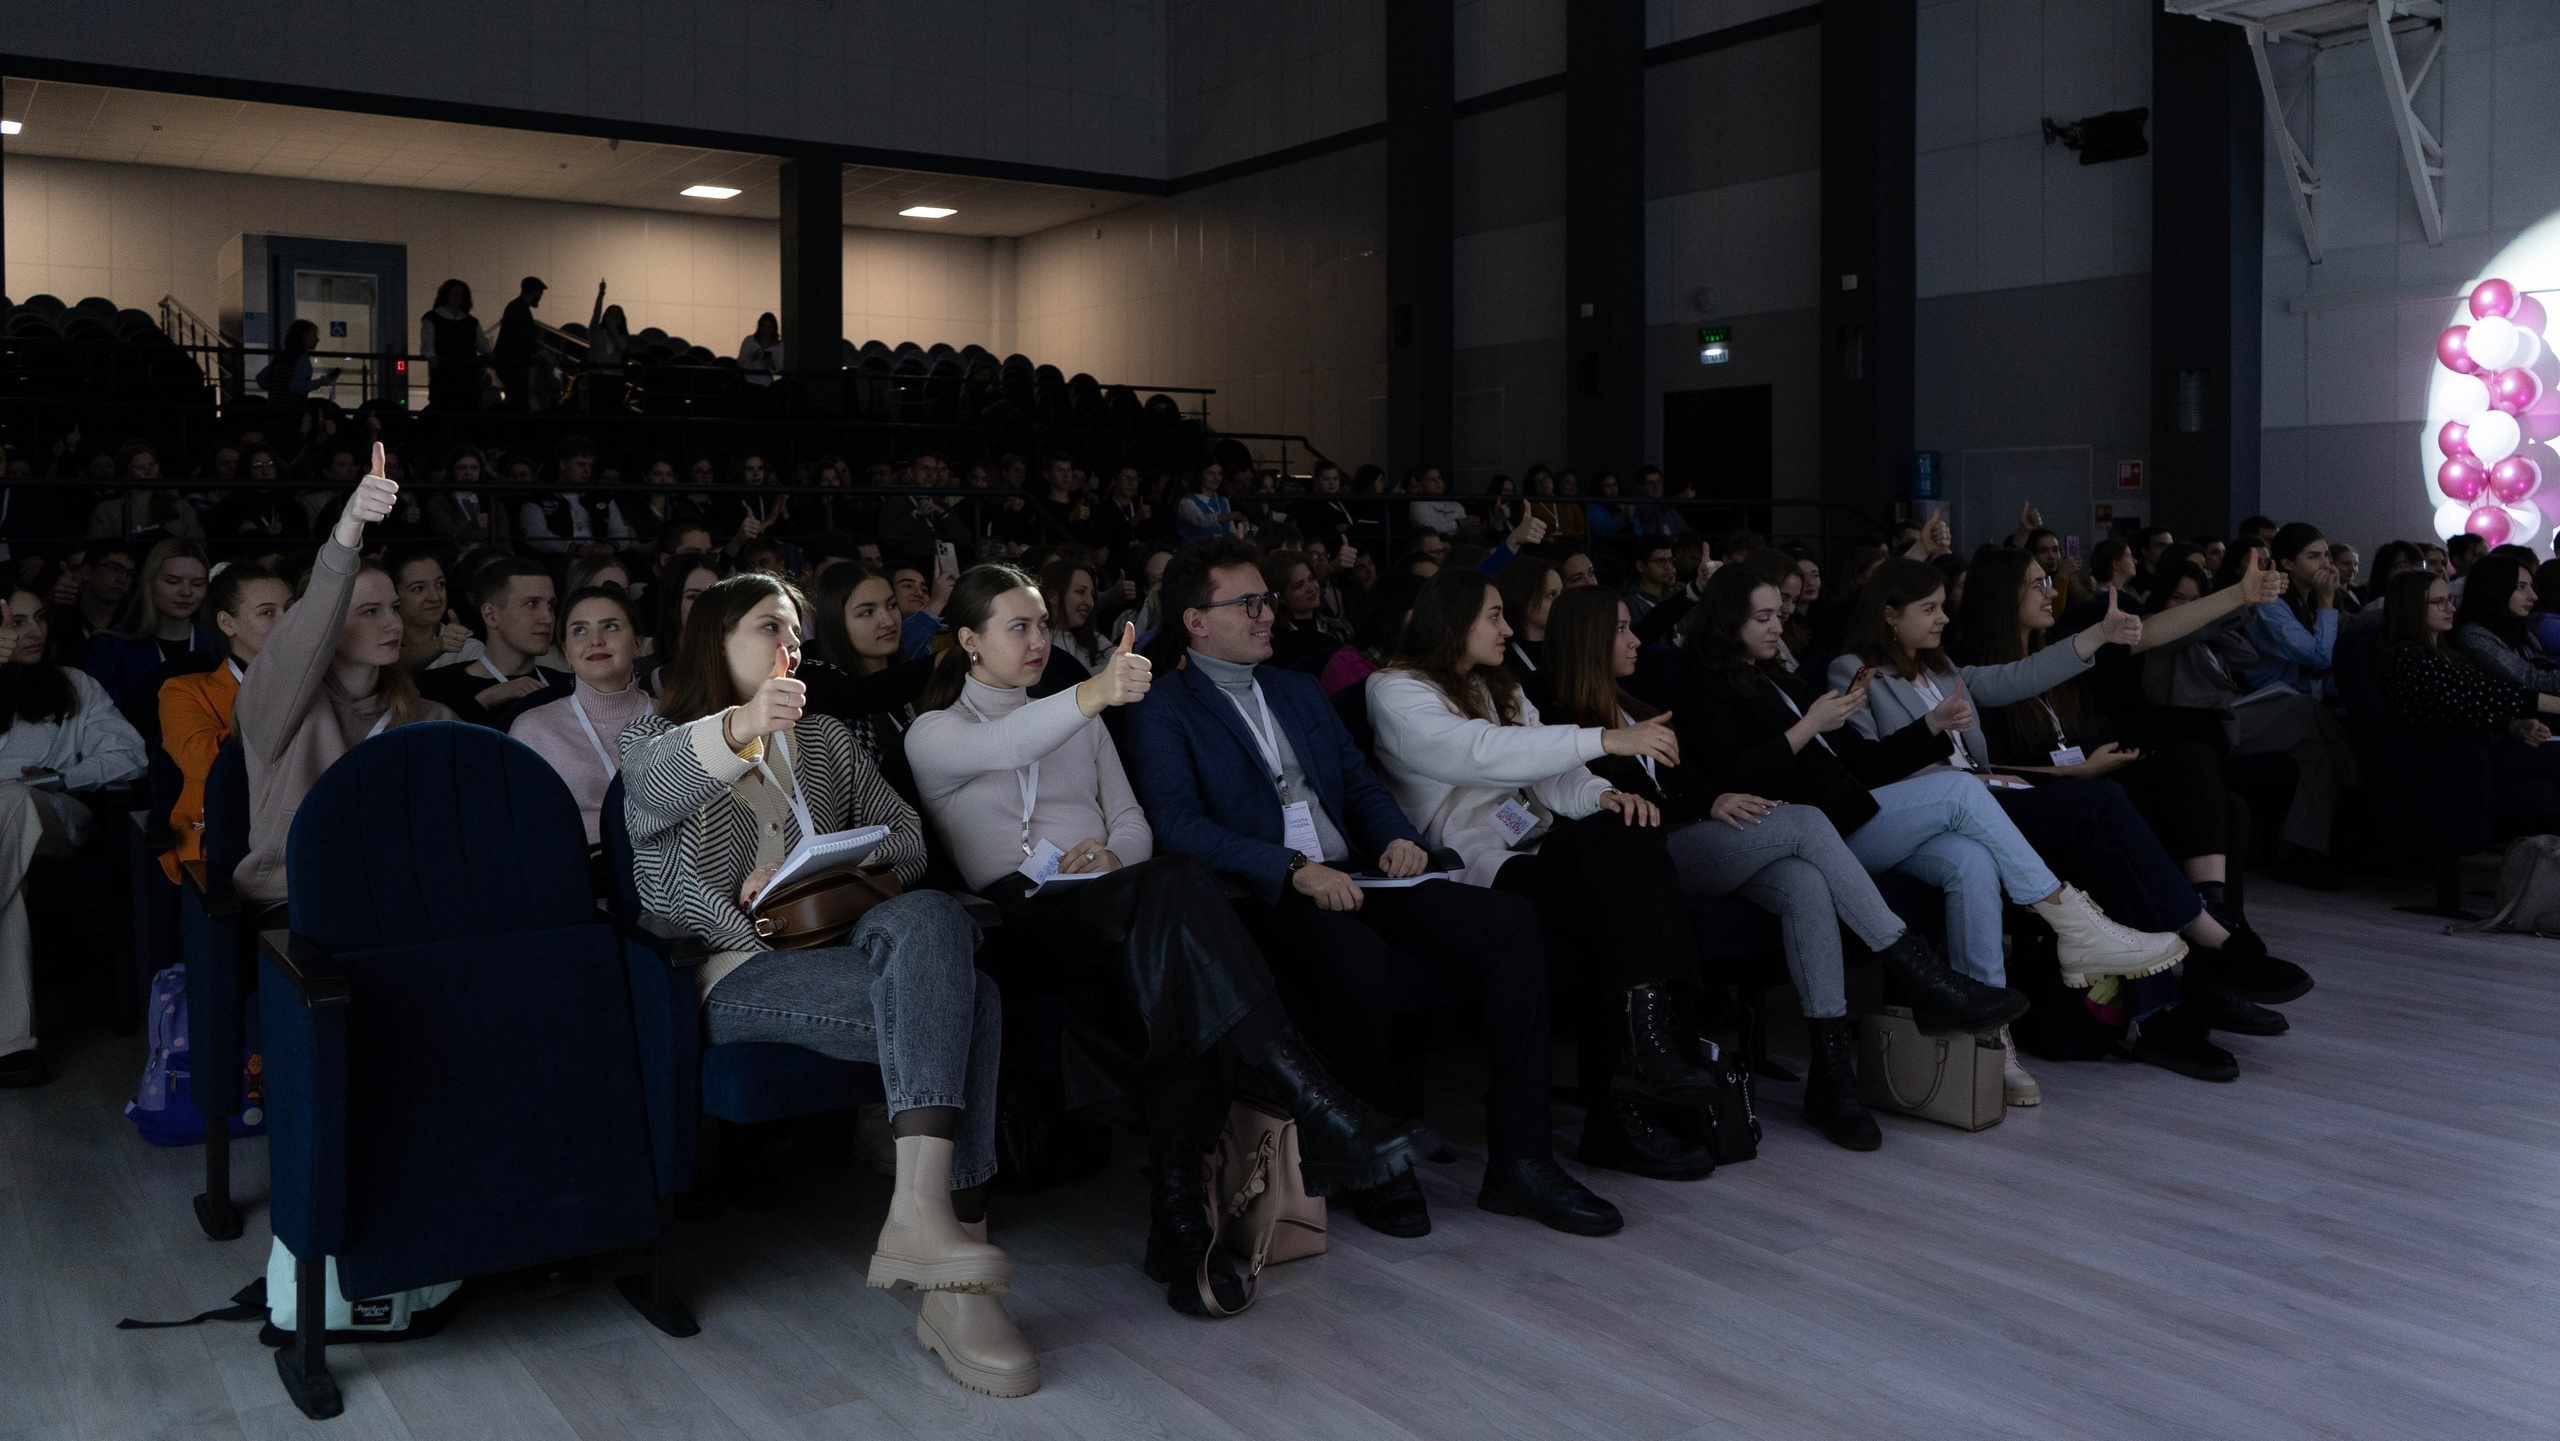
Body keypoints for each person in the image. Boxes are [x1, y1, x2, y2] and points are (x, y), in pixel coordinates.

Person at [904, 565, 1420, 1316]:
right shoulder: (935, 731)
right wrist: (1096, 694)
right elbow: (1010, 744)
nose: (1040, 639)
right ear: (969, 642)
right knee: (1181, 901)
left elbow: (1133, 819)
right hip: (1024, 920)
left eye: (1045, 624)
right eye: (1020, 626)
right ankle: (1314, 1101)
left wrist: (1116, 858)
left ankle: (1182, 1229)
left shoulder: (1077, 718)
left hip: (1118, 902)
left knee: (1177, 961)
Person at [1128, 540, 1617, 1236]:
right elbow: (1177, 824)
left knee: (1510, 924)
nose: (1268, 613)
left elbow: (1359, 783)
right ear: (1196, 620)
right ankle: (1379, 1166)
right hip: (1265, 893)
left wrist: (1394, 834)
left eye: (1266, 598)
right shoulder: (1165, 705)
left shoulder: (1296, 688)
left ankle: (1521, 1160)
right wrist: (1293, 870)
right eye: (1249, 603)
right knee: (1357, 958)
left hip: (1360, 869)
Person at [619, 573, 1030, 1399]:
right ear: (715, 640)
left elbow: (910, 843)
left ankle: (920, 1216)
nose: (790, 646)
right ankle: (955, 1278)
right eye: (769, 626)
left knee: (935, 921)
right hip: (736, 967)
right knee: (973, 1003)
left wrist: (822, 866)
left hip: (852, 942)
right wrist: (740, 730)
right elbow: (654, 804)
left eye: (797, 632)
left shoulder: (828, 740)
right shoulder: (656, 737)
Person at [1544, 583, 2020, 1139]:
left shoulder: (1638, 707)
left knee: (1803, 881)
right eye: (1622, 630)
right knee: (1805, 821)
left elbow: (1693, 786)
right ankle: (1920, 973)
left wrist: (1710, 799)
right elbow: (1603, 803)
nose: (1635, 640)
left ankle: (1832, 1078)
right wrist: (1707, 799)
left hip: (1694, 835)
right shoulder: (1562, 718)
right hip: (1643, 858)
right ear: (1586, 640)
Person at [1674, 564, 2189, 1065]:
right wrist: (1809, 727)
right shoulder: (1707, 682)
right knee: (1963, 793)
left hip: (1851, 813)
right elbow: (1733, 773)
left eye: (1777, 615)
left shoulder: (1777, 678)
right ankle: (2075, 926)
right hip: (1812, 831)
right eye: (1761, 618)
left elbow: (1864, 763)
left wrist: (1932, 725)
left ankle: (1991, 1042)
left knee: (1970, 862)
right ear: (1726, 621)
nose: (1777, 625)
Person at [1367, 571, 1733, 1126]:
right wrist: (1607, 739)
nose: (1509, 629)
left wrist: (1605, 793)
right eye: (1495, 615)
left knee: (1628, 831)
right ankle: (1640, 1080)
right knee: (1619, 905)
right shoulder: (1395, 690)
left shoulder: (1501, 685)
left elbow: (1553, 776)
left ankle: (1652, 1050)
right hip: (1472, 860)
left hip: (1534, 841)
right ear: (1455, 618)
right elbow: (1480, 753)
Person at [232, 447, 457, 908]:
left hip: (402, 895)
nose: (394, 624)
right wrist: (349, 529)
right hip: (299, 902)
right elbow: (303, 632)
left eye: (394, 608)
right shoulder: (275, 705)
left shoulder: (428, 716)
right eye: (370, 612)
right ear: (330, 624)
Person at [0, 583, 150, 1088]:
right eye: (17, 622)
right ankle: (10, 1047)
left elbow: (130, 755)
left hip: (52, 817)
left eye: (39, 617)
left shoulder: (73, 684)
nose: (35, 630)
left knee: (14, 800)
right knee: (9, 888)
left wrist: (64, 778)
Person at [2143, 559, 2358, 878]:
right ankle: (2359, 775)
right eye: (2179, 598)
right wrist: (2228, 609)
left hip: (2228, 713)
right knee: (2306, 709)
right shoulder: (2152, 627)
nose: (2187, 607)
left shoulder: (2202, 635)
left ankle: (2304, 848)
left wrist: (2214, 631)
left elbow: (2247, 656)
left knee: (2318, 752)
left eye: (2195, 600)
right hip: (2199, 724)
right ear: (2162, 598)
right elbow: (2185, 630)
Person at [158, 564, 290, 886]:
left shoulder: (324, 683)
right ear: (227, 623)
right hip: (223, 841)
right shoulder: (184, 690)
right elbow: (205, 763)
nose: (286, 622)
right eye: (267, 613)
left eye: (291, 609)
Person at [510, 588, 649, 846]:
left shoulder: (675, 718)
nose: (595, 640)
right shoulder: (533, 728)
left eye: (610, 627)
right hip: (579, 874)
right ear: (566, 651)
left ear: (638, 642)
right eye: (580, 631)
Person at [2375, 569, 2560, 756]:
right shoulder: (2409, 659)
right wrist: (2548, 704)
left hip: (2475, 748)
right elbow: (2475, 694)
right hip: (2450, 757)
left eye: (2449, 600)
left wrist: (2515, 725)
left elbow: (2470, 706)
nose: (2451, 608)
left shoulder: (2445, 653)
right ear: (2411, 607)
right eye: (2439, 602)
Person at [797, 561, 935, 778]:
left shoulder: (908, 679)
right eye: (867, 612)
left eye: (891, 605)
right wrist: (945, 662)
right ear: (836, 622)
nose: (888, 621)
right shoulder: (815, 678)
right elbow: (862, 694)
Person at [418, 557, 573, 728]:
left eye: (550, 605)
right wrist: (485, 700)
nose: (547, 617)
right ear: (491, 615)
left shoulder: (568, 686)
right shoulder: (437, 687)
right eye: (532, 604)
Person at [82, 539, 215, 710]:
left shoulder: (219, 646)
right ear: (150, 582)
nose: (186, 592)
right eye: (173, 581)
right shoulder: (111, 648)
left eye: (197, 584)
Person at [2246, 522, 2340, 694]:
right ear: (2288, 563)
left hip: (2303, 694)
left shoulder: (2311, 596)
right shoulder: (2270, 605)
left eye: (2327, 555)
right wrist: (2326, 601)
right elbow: (2322, 657)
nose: (2326, 564)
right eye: (2314, 556)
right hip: (2269, 699)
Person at [2450, 549, 2560, 696]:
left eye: (2531, 586)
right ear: (2495, 589)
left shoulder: (2517, 627)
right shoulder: (2474, 634)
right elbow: (2533, 680)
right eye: (2521, 587)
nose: (2533, 596)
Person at [520, 436, 634, 555]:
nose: (587, 470)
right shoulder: (538, 498)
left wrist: (610, 547)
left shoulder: (602, 497)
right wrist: (576, 549)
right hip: (559, 561)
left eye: (590, 465)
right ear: (563, 464)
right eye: (581, 464)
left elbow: (620, 531)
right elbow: (537, 536)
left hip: (602, 558)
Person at [1319, 572, 1425, 697]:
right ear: (1396, 614)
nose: (1428, 619)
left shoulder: (1421, 656)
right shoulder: (1347, 666)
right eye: (1421, 611)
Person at [383, 544, 474, 673]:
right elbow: (387, 668)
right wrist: (439, 645)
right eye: (418, 588)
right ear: (392, 594)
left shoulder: (468, 649)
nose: (435, 597)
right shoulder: (375, 645)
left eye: (440, 584)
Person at [1261, 549, 1348, 676]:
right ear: (1282, 598)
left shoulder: (1340, 628)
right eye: (1299, 585)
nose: (1311, 588)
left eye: (1312, 578)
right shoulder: (1271, 640)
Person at [1491, 556, 1563, 706]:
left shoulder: (1573, 644)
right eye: (1551, 595)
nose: (1562, 602)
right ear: (1522, 598)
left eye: (1562, 594)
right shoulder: (1500, 655)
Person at [418, 278, 490, 413]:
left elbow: (482, 343)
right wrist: (431, 357)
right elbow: (427, 344)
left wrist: (488, 353)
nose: (459, 296)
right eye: (456, 292)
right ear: (446, 294)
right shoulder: (433, 318)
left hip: (466, 376)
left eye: (461, 294)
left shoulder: (470, 322)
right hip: (445, 374)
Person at [423, 445, 512, 550]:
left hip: (491, 562)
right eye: (461, 468)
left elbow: (505, 544)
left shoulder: (493, 503)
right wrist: (472, 527)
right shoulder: (438, 503)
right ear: (451, 470)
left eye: (474, 468)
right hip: (455, 562)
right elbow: (452, 540)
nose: (468, 473)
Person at [491, 276, 551, 412]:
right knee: (520, 402)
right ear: (535, 292)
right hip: (513, 364)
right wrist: (541, 351)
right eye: (540, 293)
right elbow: (524, 337)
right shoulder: (520, 309)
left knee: (517, 400)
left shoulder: (516, 307)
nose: (540, 296)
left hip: (510, 364)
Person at [581, 284, 630, 413]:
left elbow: (622, 347)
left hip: (615, 378)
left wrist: (613, 329)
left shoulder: (621, 335)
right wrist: (601, 295)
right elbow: (595, 314)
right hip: (597, 376)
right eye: (610, 314)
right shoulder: (596, 332)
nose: (612, 317)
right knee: (595, 409)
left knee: (613, 410)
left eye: (615, 315)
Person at [1175, 460, 1249, 542]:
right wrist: (1229, 516)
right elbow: (1201, 520)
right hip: (1195, 551)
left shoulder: (1223, 501)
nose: (1216, 478)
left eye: (1219, 474)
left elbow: (1231, 530)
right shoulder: (1186, 502)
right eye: (1211, 473)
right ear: (1200, 475)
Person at [1624, 539, 1678, 626]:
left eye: (1670, 560)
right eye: (1660, 561)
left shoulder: (1677, 592)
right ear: (1641, 566)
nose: (1668, 567)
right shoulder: (1630, 604)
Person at [738, 313, 784, 387]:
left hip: (766, 382)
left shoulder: (779, 345)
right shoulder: (749, 341)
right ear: (759, 327)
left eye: (769, 327)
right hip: (749, 380)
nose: (766, 330)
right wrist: (753, 357)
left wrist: (770, 362)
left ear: (774, 329)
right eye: (763, 327)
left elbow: (778, 368)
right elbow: (741, 362)